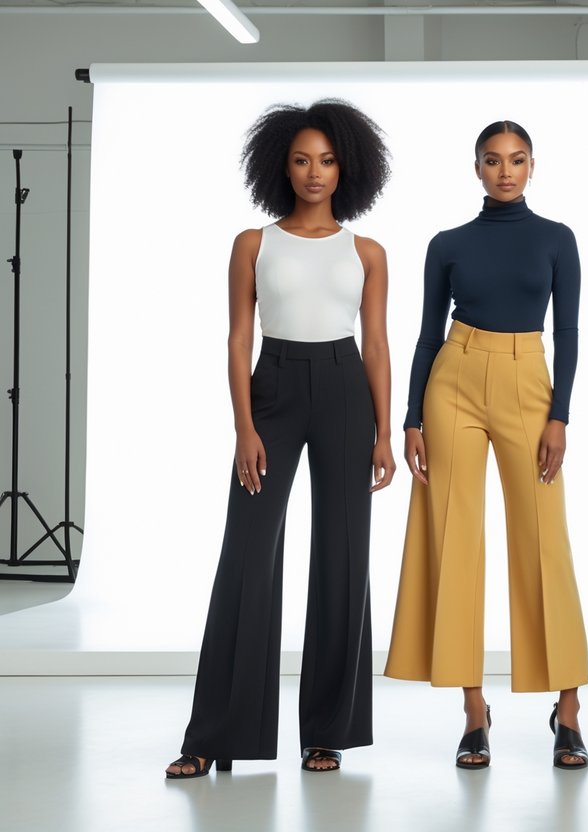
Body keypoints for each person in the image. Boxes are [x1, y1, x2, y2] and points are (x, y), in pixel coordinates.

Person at [164, 100, 395, 779]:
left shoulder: (368, 251)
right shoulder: (253, 244)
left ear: (345, 166)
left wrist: (385, 432)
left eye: (325, 160)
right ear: (280, 166)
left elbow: (376, 344)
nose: (314, 172)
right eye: (301, 159)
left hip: (346, 389)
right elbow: (238, 339)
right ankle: (215, 733)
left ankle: (327, 731)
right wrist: (244, 426)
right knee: (247, 555)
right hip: (273, 389)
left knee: (343, 559)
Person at [384, 121, 588, 771]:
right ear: (475, 168)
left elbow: (571, 330)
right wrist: (411, 417)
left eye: (517, 160)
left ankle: (567, 709)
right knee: (452, 537)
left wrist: (560, 415)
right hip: (454, 379)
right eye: (493, 160)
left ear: (533, 167)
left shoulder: (557, 239)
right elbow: (424, 335)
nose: (505, 171)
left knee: (541, 538)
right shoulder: (447, 244)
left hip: (528, 377)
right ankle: (474, 710)